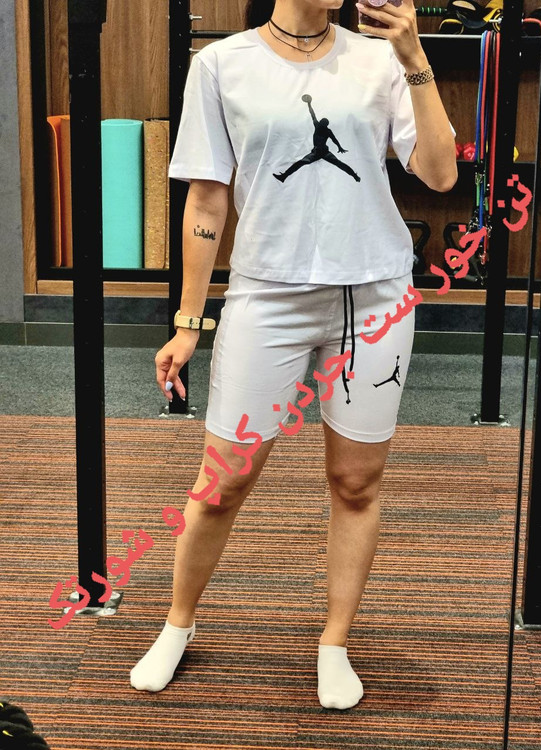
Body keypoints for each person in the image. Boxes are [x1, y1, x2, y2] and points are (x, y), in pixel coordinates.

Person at [130, 0, 457, 710]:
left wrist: (414, 58)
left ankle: (334, 642)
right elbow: (207, 198)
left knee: (356, 481)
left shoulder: (380, 59)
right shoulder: (222, 64)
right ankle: (177, 623)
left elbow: (439, 175)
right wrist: (188, 321)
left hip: (373, 297)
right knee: (223, 480)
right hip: (266, 295)